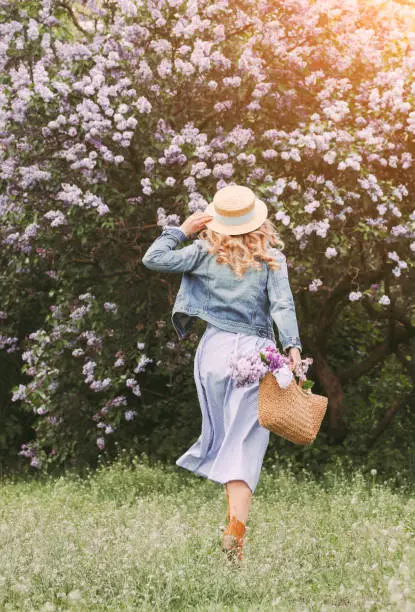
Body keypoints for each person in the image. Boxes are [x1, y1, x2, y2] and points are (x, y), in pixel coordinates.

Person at [142, 184, 303, 563]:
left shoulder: (202, 252)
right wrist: (292, 348)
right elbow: (282, 305)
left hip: (213, 356)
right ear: (256, 221)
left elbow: (154, 258)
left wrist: (181, 230)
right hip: (253, 354)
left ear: (217, 220)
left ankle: (231, 525)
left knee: (228, 440)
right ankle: (236, 532)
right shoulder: (271, 258)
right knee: (244, 445)